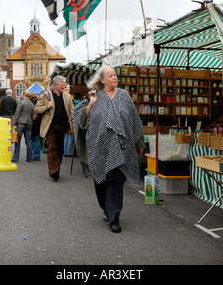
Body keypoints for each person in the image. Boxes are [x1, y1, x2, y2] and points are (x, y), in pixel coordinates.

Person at [73, 66, 145, 233]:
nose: (115, 78)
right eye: (110, 75)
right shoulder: (94, 96)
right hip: (99, 148)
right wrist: (91, 104)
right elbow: (81, 120)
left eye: (115, 75)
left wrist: (139, 143)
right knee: (101, 182)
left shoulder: (124, 96)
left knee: (116, 181)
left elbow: (134, 121)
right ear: (102, 80)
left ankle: (114, 218)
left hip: (122, 148)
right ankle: (106, 208)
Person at [34, 76, 74, 181]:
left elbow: (72, 111)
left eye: (64, 85)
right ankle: (53, 170)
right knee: (52, 148)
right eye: (61, 85)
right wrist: (47, 107)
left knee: (60, 149)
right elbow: (37, 109)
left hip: (63, 126)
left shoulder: (67, 96)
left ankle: (57, 168)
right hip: (50, 127)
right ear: (55, 85)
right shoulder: (46, 96)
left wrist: (74, 125)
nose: (63, 87)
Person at [12, 91, 34, 163]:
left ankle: (16, 158)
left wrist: (14, 123)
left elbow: (17, 113)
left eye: (21, 95)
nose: (21, 96)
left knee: (18, 141)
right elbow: (32, 115)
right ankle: (29, 158)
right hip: (29, 123)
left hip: (21, 123)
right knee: (28, 141)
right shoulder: (32, 104)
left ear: (24, 95)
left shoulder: (21, 103)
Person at [64, 92, 82, 157]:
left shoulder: (71, 102)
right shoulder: (80, 103)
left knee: (66, 136)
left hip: (67, 120)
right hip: (73, 120)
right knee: (71, 136)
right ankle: (69, 152)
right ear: (80, 97)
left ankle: (65, 151)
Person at [28, 92, 42, 161]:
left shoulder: (31, 104)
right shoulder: (39, 103)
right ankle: (37, 155)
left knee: (33, 140)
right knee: (36, 139)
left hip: (33, 123)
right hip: (38, 123)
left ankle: (35, 155)